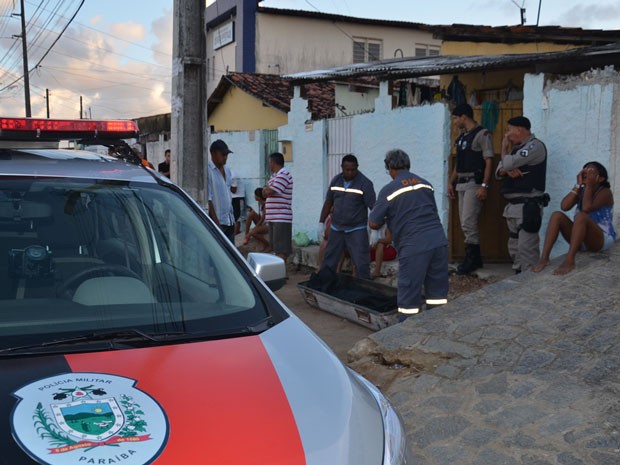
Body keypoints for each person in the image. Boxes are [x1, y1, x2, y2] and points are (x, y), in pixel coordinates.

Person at [369, 149, 449, 321]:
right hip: (438, 241)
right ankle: (436, 327)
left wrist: (389, 219)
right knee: (437, 294)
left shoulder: (389, 190)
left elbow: (373, 222)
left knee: (409, 295)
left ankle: (406, 335)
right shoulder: (426, 184)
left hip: (414, 246)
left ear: (390, 167)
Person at [532, 161, 616, 275]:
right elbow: (564, 206)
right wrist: (577, 186)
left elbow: (586, 208)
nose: (586, 173)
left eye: (591, 172)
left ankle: (570, 260)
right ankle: (544, 258)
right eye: (585, 170)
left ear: (600, 178)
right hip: (582, 239)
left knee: (581, 216)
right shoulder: (582, 189)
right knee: (557, 215)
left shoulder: (605, 192)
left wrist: (589, 186)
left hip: (601, 239)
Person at [495, 116, 548, 273]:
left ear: (519, 129)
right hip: (513, 208)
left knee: (526, 249)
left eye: (510, 129)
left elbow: (508, 163)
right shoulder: (516, 150)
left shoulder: (534, 146)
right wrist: (506, 169)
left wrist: (504, 151)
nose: (507, 135)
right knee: (514, 248)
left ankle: (529, 285)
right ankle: (519, 279)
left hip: (528, 206)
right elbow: (499, 172)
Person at [448, 103, 494, 275]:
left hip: (474, 182)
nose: (454, 122)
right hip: (461, 182)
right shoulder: (461, 137)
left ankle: (472, 260)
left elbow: (489, 160)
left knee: (468, 221)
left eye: (455, 118)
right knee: (464, 222)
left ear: (463, 117)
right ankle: (475, 258)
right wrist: (450, 182)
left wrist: (485, 185)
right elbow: (458, 165)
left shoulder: (482, 134)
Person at [318, 154, 376, 280]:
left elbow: (373, 207)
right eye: (347, 169)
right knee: (329, 260)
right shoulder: (335, 181)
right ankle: (326, 285)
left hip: (357, 229)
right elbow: (328, 202)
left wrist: (375, 230)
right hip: (336, 228)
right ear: (342, 168)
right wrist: (321, 222)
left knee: (361, 263)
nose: (350, 172)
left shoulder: (365, 184)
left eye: (353, 169)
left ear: (357, 168)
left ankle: (364, 290)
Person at [263, 152, 293, 261]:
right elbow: (264, 191)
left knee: (281, 250)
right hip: (274, 218)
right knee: (276, 248)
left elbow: (269, 191)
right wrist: (266, 190)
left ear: (273, 163)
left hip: (281, 218)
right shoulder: (275, 176)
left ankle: (282, 275)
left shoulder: (283, 175)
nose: (269, 165)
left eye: (269, 162)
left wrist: (267, 190)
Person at [208, 139, 235, 242]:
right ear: (213, 154)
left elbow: (227, 192)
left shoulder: (227, 170)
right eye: (223, 154)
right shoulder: (208, 171)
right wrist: (216, 225)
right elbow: (209, 200)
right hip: (218, 223)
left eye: (226, 155)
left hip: (230, 222)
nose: (225, 157)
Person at [230, 170, 245, 236]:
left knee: (237, 217)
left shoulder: (233, 175)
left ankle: (235, 236)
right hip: (232, 198)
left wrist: (225, 184)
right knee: (233, 217)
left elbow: (234, 190)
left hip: (238, 197)